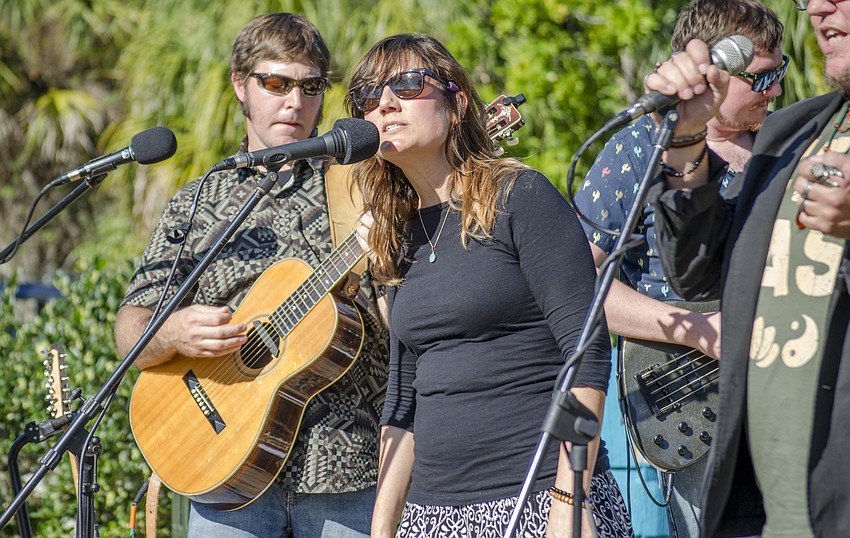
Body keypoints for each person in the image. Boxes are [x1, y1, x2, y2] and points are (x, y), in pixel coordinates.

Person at [344, 33, 633, 538]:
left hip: (541, 496)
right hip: (434, 516)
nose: (385, 102)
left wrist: (569, 499)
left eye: (408, 85)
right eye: (369, 95)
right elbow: (404, 398)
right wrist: (381, 527)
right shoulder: (397, 234)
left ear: (457, 103)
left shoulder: (521, 196)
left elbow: (586, 356)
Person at [114, 13, 387, 537]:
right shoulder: (200, 200)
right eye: (277, 83)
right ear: (241, 85)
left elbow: (403, 326)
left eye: (311, 87)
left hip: (345, 474)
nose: (295, 101)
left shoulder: (360, 189)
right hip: (223, 470)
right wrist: (172, 332)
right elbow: (132, 331)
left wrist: (385, 262)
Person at [573, 1, 785, 536]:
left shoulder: (788, 146)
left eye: (780, 74)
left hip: (785, 401)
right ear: (711, 72)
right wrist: (697, 331)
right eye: (761, 78)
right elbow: (579, 287)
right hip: (690, 407)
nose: (776, 91)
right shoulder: (633, 151)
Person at [642, 0, 850, 535]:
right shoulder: (794, 133)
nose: (820, 7)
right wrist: (687, 138)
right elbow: (698, 271)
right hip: (766, 500)